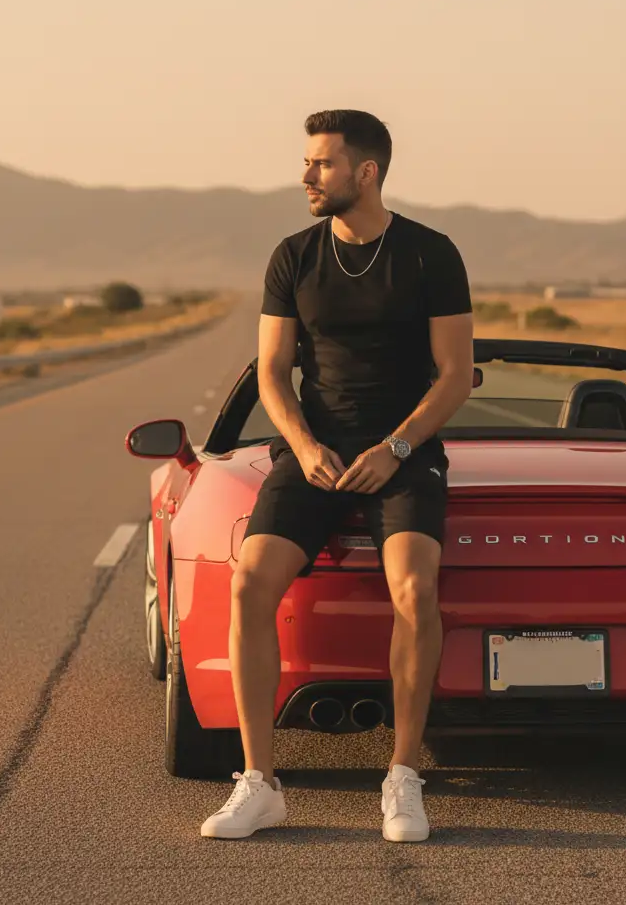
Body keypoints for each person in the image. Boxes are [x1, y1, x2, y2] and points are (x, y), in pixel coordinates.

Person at [201, 109, 474, 842]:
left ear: (366, 172)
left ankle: (403, 778)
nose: (306, 175)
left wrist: (399, 446)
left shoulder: (430, 255)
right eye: (308, 162)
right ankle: (259, 784)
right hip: (312, 453)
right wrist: (305, 444)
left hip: (406, 453)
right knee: (249, 581)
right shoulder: (293, 256)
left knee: (415, 589)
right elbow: (271, 373)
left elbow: (454, 377)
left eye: (321, 163)